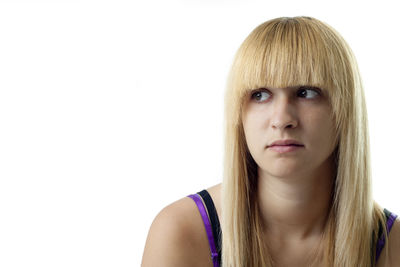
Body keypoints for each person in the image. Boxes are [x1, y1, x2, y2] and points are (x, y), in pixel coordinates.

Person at [141, 16, 400, 267]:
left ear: (345, 111)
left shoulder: (393, 245)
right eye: (260, 94)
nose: (282, 119)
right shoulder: (181, 232)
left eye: (306, 92)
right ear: (239, 115)